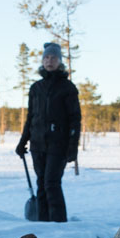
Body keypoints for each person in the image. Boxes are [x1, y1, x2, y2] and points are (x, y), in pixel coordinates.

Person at [16, 42, 80, 223]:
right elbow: (31, 117)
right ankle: (42, 224)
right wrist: (23, 142)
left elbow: (75, 119)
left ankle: (59, 223)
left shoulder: (67, 88)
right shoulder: (36, 88)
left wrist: (72, 148)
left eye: (53, 57)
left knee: (52, 183)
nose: (49, 61)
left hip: (58, 144)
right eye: (46, 57)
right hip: (38, 144)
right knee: (41, 185)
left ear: (59, 61)